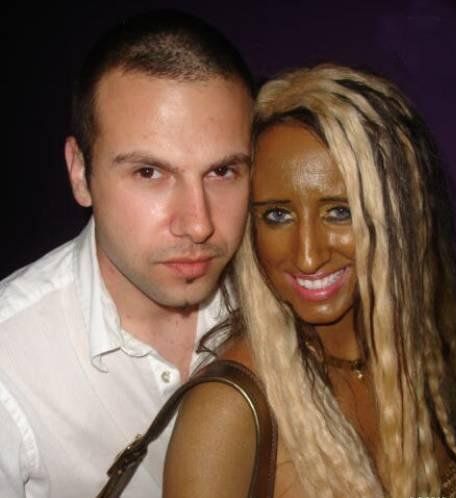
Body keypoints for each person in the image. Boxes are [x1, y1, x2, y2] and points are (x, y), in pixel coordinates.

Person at [163, 64, 456, 498]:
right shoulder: (228, 410)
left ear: (396, 216)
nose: (308, 256)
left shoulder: (415, 352)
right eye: (277, 215)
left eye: (339, 212)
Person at [0, 10, 254, 498]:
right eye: (149, 173)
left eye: (222, 172)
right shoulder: (11, 368)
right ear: (80, 173)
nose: (198, 224)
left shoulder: (279, 300)